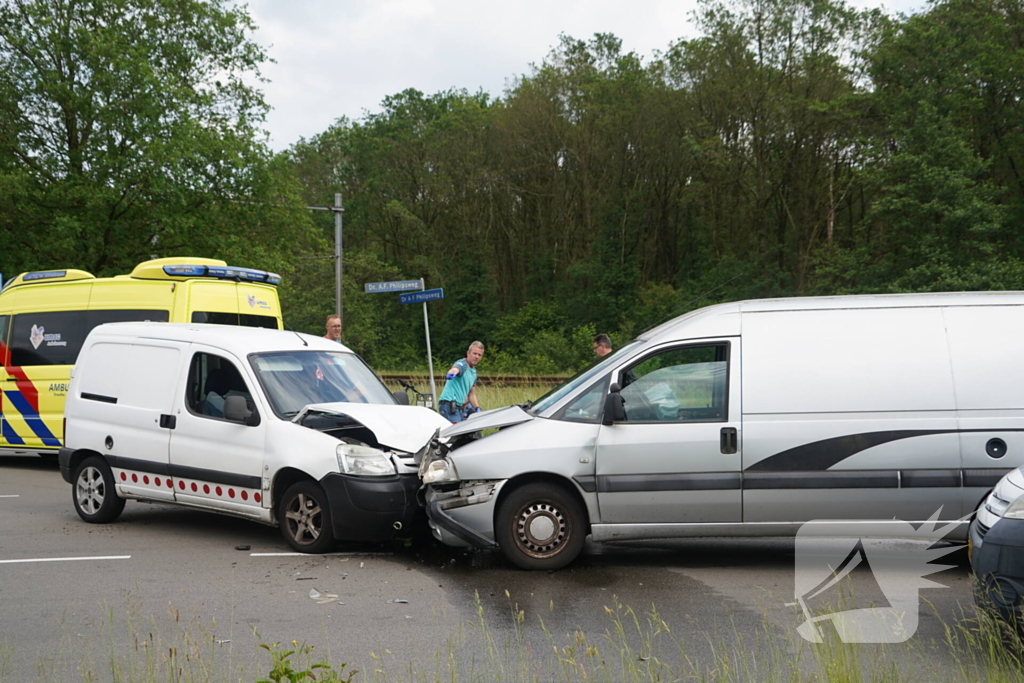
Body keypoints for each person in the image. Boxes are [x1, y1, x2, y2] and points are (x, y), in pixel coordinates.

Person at [438, 341, 484, 423]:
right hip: (449, 405)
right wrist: (451, 373)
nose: (476, 357)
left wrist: (477, 408)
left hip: (459, 407)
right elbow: (455, 369)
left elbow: (471, 394)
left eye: (479, 355)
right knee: (455, 433)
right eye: (474, 353)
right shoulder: (463, 364)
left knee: (463, 432)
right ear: (468, 353)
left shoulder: (474, 372)